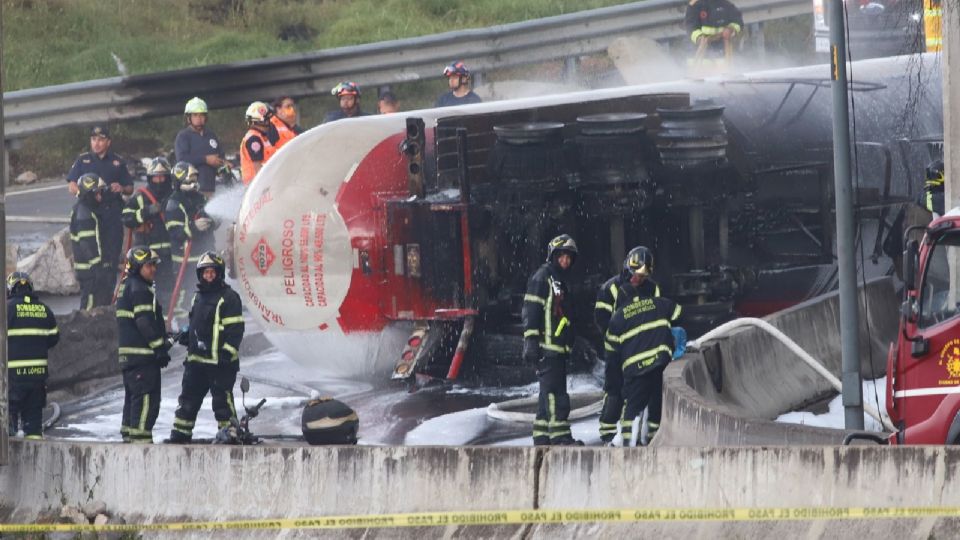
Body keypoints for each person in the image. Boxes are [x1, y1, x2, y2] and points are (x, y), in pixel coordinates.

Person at [168, 252, 245, 443]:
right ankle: (180, 435)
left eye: (212, 272)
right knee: (188, 401)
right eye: (205, 272)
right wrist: (188, 336)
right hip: (196, 362)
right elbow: (196, 324)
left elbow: (235, 331)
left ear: (219, 273)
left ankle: (229, 435)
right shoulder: (197, 297)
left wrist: (226, 354)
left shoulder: (229, 298)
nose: (209, 276)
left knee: (222, 404)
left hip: (220, 364)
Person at [594, 246, 660, 445]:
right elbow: (601, 320)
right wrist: (618, 340)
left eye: (643, 276)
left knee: (640, 392)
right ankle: (607, 433)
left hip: (641, 351)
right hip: (617, 350)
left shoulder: (652, 289)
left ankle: (634, 434)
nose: (638, 279)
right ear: (628, 268)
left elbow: (656, 316)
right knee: (614, 390)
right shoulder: (610, 288)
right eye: (636, 274)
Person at [522, 234, 582, 446]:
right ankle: (560, 437)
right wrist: (531, 340)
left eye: (569, 257)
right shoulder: (542, 277)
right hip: (547, 348)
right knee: (556, 395)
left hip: (558, 348)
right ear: (553, 256)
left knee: (547, 395)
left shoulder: (560, 281)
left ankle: (542, 436)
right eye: (562, 256)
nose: (566, 261)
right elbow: (531, 309)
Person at [604, 290, 682, 447]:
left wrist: (614, 383)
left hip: (636, 368)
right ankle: (653, 440)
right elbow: (678, 312)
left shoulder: (618, 317)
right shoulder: (658, 303)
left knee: (632, 408)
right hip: (660, 362)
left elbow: (611, 352)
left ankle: (627, 444)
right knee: (656, 404)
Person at [116, 246, 172, 443]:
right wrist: (159, 348)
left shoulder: (127, 285)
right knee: (147, 402)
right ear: (137, 267)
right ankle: (140, 444)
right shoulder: (140, 289)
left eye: (154, 265)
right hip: (142, 358)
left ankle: (128, 440)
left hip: (130, 358)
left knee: (133, 400)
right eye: (148, 266)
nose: (153, 269)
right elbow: (144, 321)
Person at [65, 124, 134, 280]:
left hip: (112, 215)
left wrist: (121, 188)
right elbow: (71, 185)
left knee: (111, 258)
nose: (96, 143)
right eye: (93, 139)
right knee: (91, 254)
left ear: (108, 142)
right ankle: (93, 284)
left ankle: (109, 289)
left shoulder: (117, 162)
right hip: (90, 214)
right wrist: (84, 194)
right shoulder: (83, 160)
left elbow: (130, 188)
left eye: (101, 140)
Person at [6, 272, 59, 440]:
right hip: (37, 378)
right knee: (34, 425)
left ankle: (10, 448)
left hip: (12, 379)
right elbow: (54, 338)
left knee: (8, 424)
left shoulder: (6, 310)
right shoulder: (44, 309)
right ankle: (35, 445)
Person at [166, 162, 218, 324]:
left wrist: (212, 222)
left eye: (195, 179)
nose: (194, 183)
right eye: (190, 179)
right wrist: (193, 227)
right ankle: (184, 326)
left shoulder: (201, 198)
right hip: (185, 260)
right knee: (185, 294)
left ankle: (205, 324)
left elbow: (215, 220)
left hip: (204, 256)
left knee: (207, 293)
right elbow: (175, 231)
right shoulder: (174, 202)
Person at [122, 157, 174, 306]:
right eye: (156, 177)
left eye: (162, 177)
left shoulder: (174, 196)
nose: (159, 181)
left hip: (170, 254)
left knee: (168, 292)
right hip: (146, 255)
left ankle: (167, 317)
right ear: (150, 178)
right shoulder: (141, 196)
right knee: (145, 290)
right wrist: (146, 212)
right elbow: (126, 217)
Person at [70, 173, 114, 310]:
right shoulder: (84, 214)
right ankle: (85, 324)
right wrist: (97, 267)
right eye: (97, 194)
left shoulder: (87, 209)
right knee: (89, 306)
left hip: (91, 268)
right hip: (89, 270)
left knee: (99, 304)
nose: (100, 197)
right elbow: (87, 244)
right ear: (88, 194)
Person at [174, 97, 225, 199]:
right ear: (189, 118)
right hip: (193, 190)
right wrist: (205, 159)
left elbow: (220, 156)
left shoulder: (211, 135)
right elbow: (181, 160)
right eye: (195, 115)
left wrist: (224, 162)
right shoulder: (183, 136)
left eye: (202, 115)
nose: (199, 118)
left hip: (213, 188)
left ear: (206, 117)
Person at [240, 101, 275, 185]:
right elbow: (258, 168)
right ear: (261, 121)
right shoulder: (254, 139)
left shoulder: (261, 137)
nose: (269, 122)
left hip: (259, 183)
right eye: (267, 119)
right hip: (256, 185)